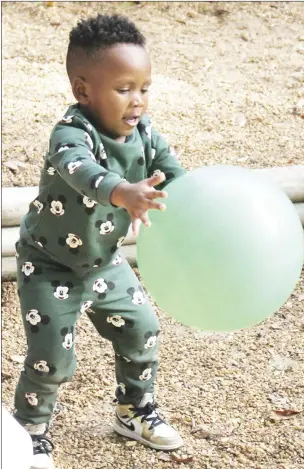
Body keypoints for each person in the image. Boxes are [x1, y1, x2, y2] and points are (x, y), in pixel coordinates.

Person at [13, 13, 186, 469]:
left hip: (104, 262)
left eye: (145, 88)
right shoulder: (70, 133)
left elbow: (175, 176)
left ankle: (134, 410)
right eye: (124, 88)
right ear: (83, 90)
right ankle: (29, 430)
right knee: (52, 356)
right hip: (49, 265)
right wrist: (123, 191)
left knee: (142, 328)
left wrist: (197, 206)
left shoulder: (146, 133)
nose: (138, 101)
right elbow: (83, 172)